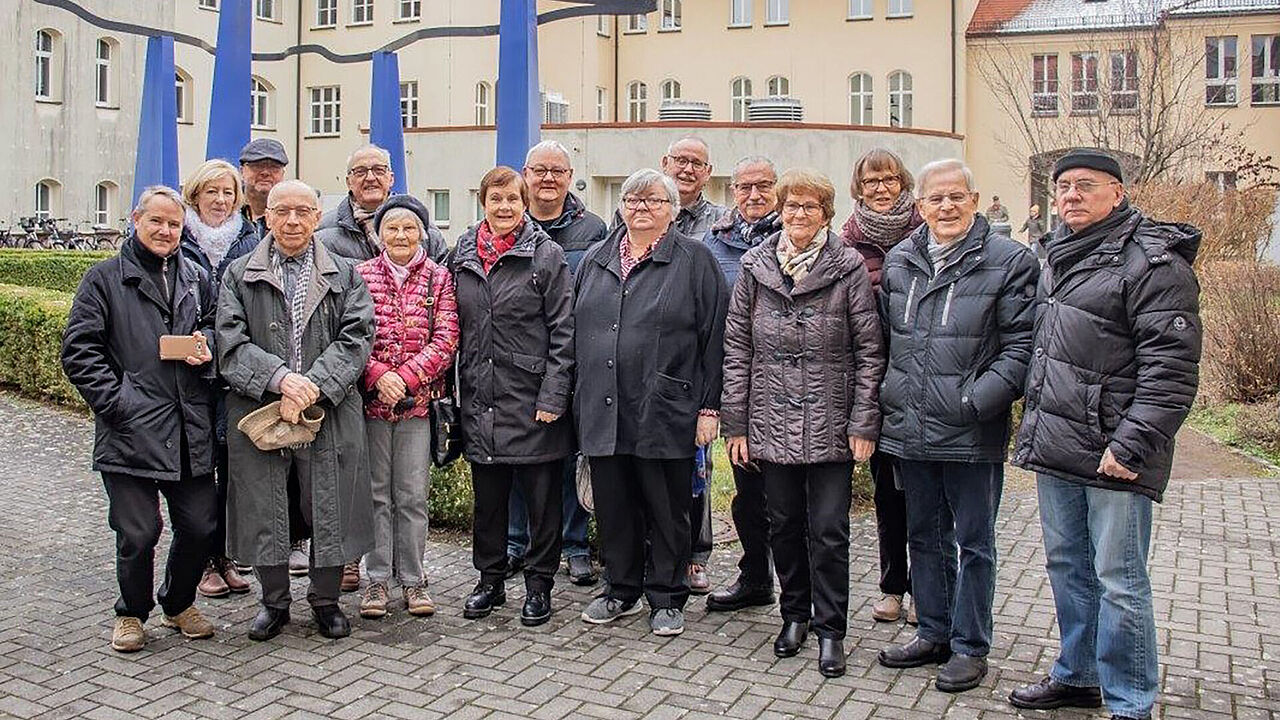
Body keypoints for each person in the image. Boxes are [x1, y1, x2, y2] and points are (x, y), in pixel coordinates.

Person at [1009, 149, 1202, 720]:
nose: (1070, 195)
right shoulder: (1056, 255)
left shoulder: (1153, 263)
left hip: (1115, 452)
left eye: (1085, 186)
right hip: (1058, 444)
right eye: (1063, 186)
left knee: (1119, 580)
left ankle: (1130, 701)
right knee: (1068, 566)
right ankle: (1078, 674)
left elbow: (1171, 370)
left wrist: (1132, 445)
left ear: (1117, 194)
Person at [875, 159, 1037, 693]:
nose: (945, 207)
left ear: (974, 199)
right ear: (918, 206)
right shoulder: (901, 260)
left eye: (955, 197)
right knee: (923, 537)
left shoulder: (1009, 262)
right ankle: (935, 632)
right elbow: (884, 343)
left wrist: (974, 401)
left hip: (970, 431)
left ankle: (970, 646)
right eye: (934, 199)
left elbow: (1020, 348)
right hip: (911, 429)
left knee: (974, 543)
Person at [721, 168, 885, 677]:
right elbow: (737, 348)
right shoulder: (755, 265)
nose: (799, 216)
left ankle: (830, 627)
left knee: (830, 530)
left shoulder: (848, 265)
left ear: (826, 214)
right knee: (784, 525)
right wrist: (737, 424)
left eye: (810, 208)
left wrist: (864, 422)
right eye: (791, 206)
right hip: (769, 419)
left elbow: (869, 350)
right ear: (781, 211)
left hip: (832, 421)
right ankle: (794, 615)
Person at [61, 186, 219, 652]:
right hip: (131, 428)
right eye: (157, 222)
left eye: (174, 224)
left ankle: (177, 603)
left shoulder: (195, 276)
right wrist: (119, 403)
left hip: (189, 426)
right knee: (138, 530)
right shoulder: (105, 279)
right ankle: (131, 612)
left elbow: (213, 324)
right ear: (136, 219)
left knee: (201, 526)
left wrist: (206, 344)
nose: (165, 231)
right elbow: (79, 350)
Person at [217, 179, 376, 642]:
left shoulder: (346, 273)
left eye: (303, 211)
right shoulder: (239, 273)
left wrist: (312, 387)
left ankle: (326, 602)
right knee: (266, 504)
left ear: (316, 217)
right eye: (282, 211)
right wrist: (280, 379)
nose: (291, 220)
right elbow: (229, 341)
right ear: (266, 215)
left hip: (327, 411)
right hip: (261, 409)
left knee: (327, 501)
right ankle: (274, 603)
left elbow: (357, 338)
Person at [574, 168, 727, 637]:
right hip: (604, 405)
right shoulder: (597, 257)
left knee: (667, 507)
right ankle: (620, 588)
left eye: (653, 201)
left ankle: (665, 596)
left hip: (666, 407)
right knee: (615, 505)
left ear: (672, 209)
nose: (641, 208)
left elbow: (714, 337)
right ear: (620, 207)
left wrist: (709, 407)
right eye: (633, 200)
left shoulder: (695, 259)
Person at [450, 166, 575, 627]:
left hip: (533, 399)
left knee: (543, 504)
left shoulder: (546, 255)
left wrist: (553, 396)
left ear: (525, 204)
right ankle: (490, 580)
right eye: (495, 199)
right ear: (482, 202)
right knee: (489, 502)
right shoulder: (461, 253)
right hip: (481, 398)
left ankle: (540, 586)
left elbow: (565, 331)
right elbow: (451, 324)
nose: (504, 208)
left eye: (512, 200)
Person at [503, 140, 608, 588]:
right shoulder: (506, 225)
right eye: (539, 170)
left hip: (573, 360)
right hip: (515, 366)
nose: (548, 179)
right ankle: (515, 542)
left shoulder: (594, 229)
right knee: (514, 459)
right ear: (526, 174)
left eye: (557, 171)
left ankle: (575, 545)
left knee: (568, 457)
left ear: (570, 177)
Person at [355, 195, 459, 620]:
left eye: (409, 228)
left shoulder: (439, 278)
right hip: (372, 405)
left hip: (418, 406)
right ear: (379, 233)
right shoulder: (358, 275)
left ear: (423, 233)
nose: (400, 235)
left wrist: (408, 377)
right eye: (392, 228)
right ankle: (377, 579)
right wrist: (379, 376)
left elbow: (447, 337)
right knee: (376, 495)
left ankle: (414, 580)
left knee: (412, 496)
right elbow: (351, 335)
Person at [838, 148, 924, 625]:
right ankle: (893, 586)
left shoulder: (925, 232)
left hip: (924, 380)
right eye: (871, 180)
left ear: (903, 181)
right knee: (887, 493)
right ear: (859, 187)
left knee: (925, 495)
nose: (881, 188)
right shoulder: (848, 243)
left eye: (890, 178)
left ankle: (924, 589)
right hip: (874, 383)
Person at [177, 159, 261, 600]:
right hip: (186, 378)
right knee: (196, 471)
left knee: (231, 473)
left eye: (228, 192)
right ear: (195, 195)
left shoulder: (251, 239)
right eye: (212, 192)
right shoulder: (178, 236)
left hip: (232, 376)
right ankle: (202, 561)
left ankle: (225, 556)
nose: (221, 200)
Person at [702, 155, 782, 614]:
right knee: (748, 494)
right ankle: (755, 577)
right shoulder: (716, 245)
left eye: (763, 186)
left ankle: (802, 592)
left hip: (792, 387)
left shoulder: (793, 236)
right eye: (744, 187)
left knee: (792, 500)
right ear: (732, 191)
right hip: (740, 386)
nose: (754, 195)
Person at [318, 144, 448, 267]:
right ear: (348, 182)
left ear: (391, 179)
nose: (370, 178)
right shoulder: (323, 232)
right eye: (360, 172)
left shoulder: (425, 230)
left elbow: (443, 282)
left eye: (378, 170)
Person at [239, 138, 289, 239]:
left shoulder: (295, 215)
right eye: (257, 166)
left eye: (273, 167)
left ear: (283, 174)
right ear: (242, 171)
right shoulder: (226, 211)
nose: (265, 173)